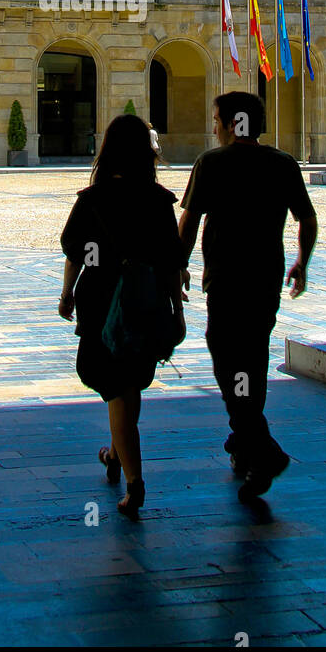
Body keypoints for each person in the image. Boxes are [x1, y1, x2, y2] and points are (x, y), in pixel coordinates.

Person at [178, 91, 317, 502]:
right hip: (266, 278)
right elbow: (307, 219)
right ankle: (244, 443)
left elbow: (188, 223)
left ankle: (263, 449)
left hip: (226, 278)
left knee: (227, 361)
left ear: (232, 123)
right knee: (253, 359)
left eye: (216, 118)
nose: (214, 126)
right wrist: (302, 262)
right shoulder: (283, 164)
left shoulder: (212, 164)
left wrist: (176, 266)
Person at [58, 114, 186, 519]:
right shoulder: (159, 200)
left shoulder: (92, 200)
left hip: (100, 302)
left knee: (116, 387)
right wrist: (177, 311)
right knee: (128, 384)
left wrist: (66, 294)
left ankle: (135, 485)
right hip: (145, 304)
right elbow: (171, 263)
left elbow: (74, 252)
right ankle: (116, 452)